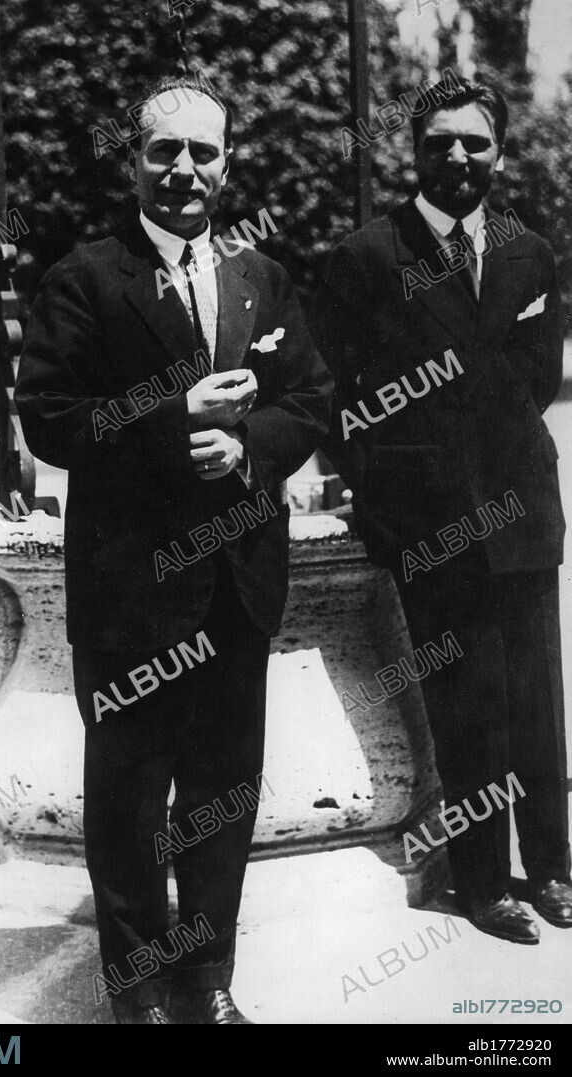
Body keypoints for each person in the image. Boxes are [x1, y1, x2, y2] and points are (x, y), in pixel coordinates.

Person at [15, 75, 332, 1022]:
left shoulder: (260, 276)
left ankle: (207, 983)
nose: (184, 170)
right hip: (131, 590)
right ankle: (139, 993)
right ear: (133, 160)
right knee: (126, 801)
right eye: (164, 151)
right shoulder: (84, 276)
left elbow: (309, 397)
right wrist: (171, 419)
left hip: (236, 582)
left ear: (226, 163)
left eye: (203, 152)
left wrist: (248, 445)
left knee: (222, 794)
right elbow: (50, 421)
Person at [311, 75, 571, 944]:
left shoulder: (530, 251)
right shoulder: (364, 257)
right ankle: (483, 882)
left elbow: (538, 380)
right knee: (464, 703)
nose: (458, 157)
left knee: (538, 700)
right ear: (413, 149)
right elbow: (331, 393)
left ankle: (555, 867)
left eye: (476, 141)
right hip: (429, 526)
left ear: (498, 151)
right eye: (440, 142)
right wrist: (382, 499)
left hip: (524, 512)